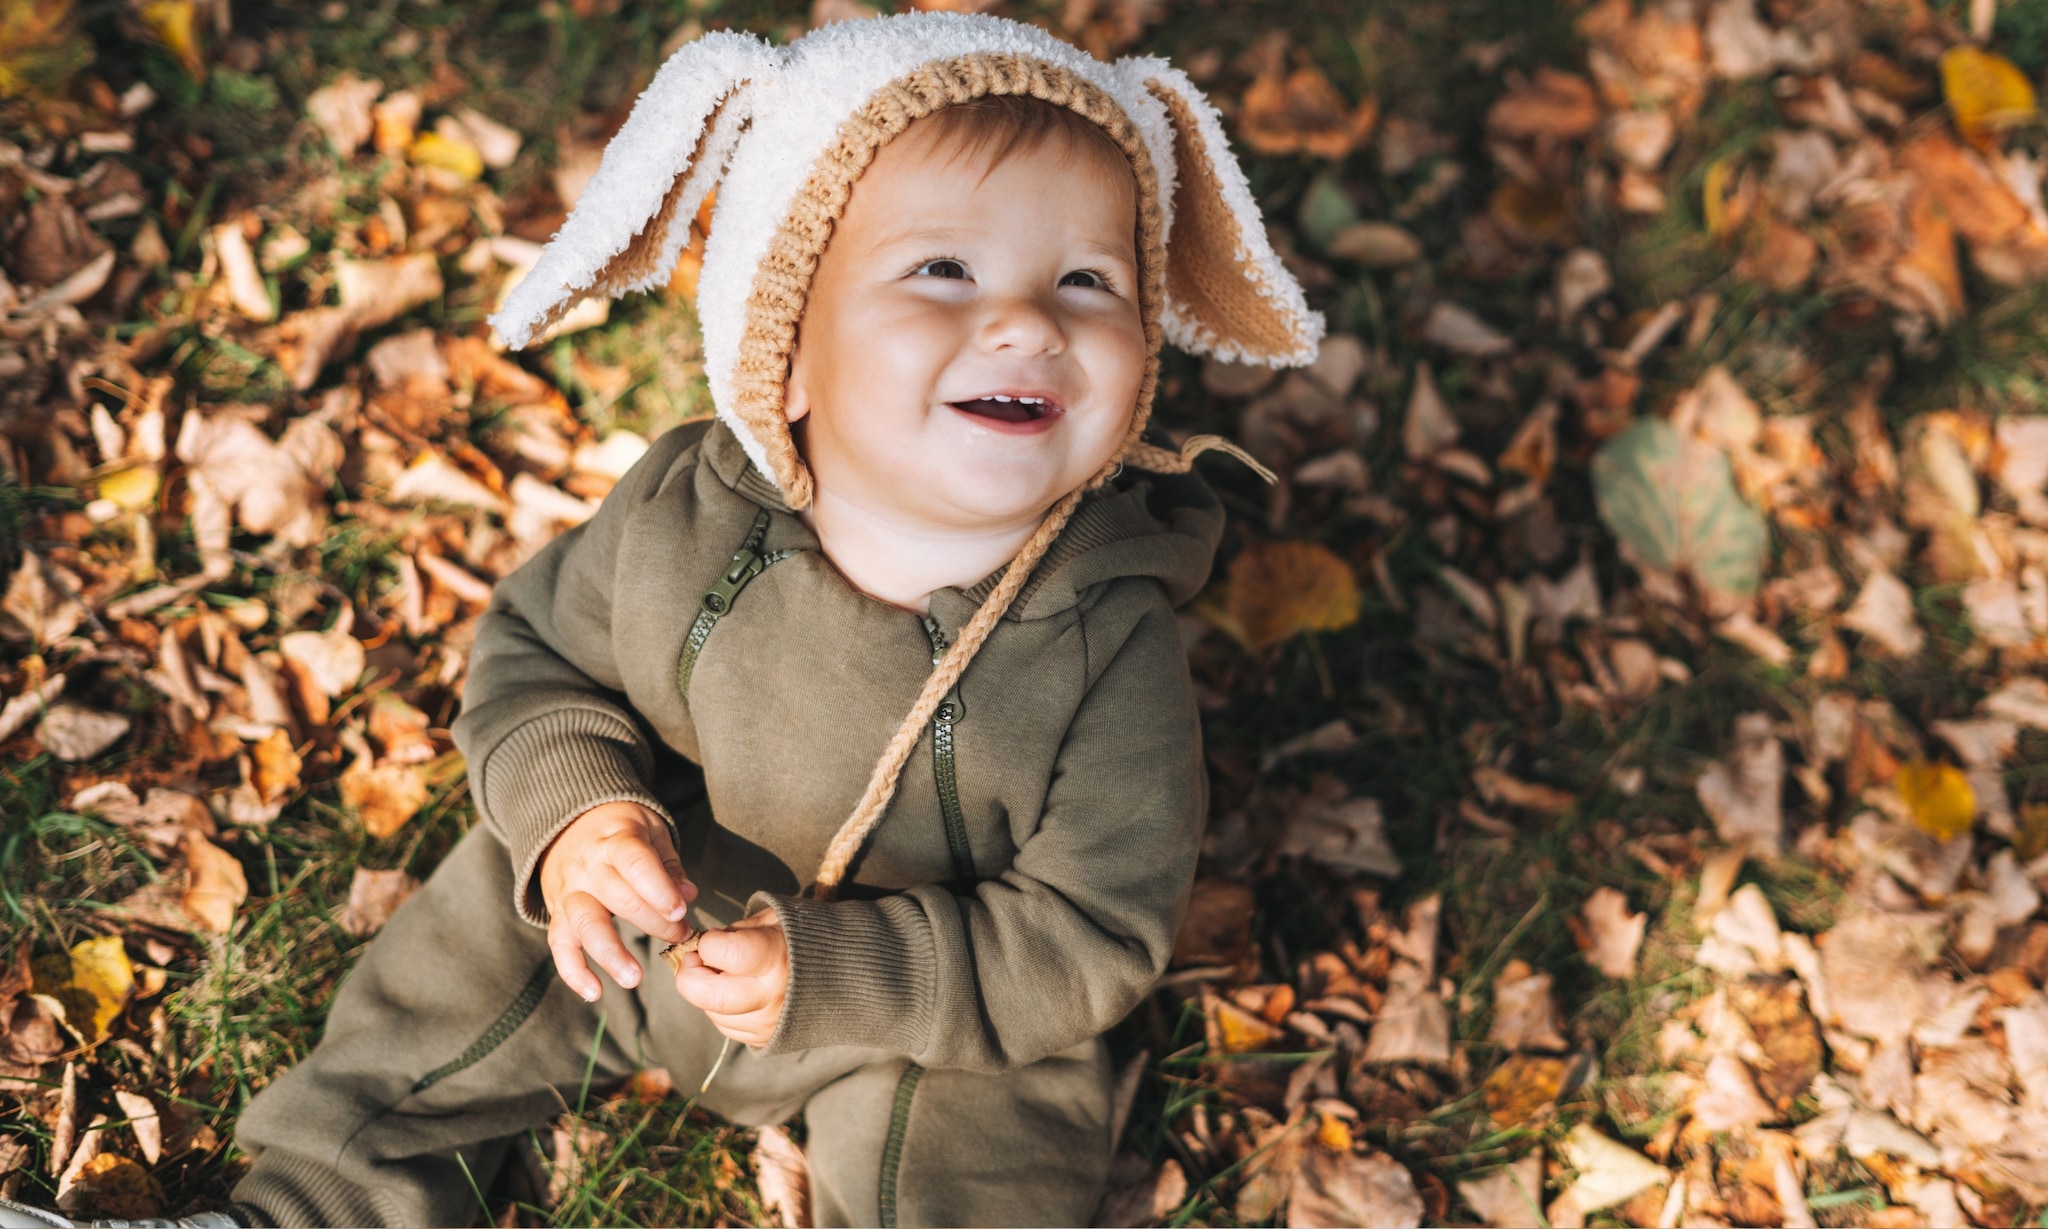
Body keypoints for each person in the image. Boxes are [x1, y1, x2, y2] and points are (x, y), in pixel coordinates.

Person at [1, 11, 1321, 1227]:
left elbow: (1094, 926)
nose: (1026, 321)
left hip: (924, 1002)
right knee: (449, 976)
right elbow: (539, 654)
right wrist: (582, 811)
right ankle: (303, 1206)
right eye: (944, 268)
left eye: (1090, 282)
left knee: (986, 1148)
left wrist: (850, 976)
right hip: (644, 905)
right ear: (785, 340)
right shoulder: (692, 515)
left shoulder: (1108, 633)